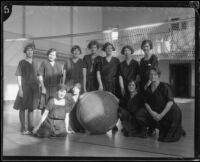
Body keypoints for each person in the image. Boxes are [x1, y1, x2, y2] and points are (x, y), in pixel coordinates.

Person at [140, 67, 186, 142]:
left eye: (155, 74)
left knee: (167, 138)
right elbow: (145, 102)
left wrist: (161, 115)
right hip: (160, 113)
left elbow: (170, 102)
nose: (153, 76)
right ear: (149, 76)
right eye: (151, 74)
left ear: (158, 75)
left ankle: (178, 129)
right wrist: (152, 113)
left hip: (172, 113)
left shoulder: (165, 86)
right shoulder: (147, 89)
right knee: (161, 137)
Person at [13, 43, 40, 134]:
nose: (30, 51)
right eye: (28, 50)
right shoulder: (22, 62)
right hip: (25, 87)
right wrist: (20, 89)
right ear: (25, 51)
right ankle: (23, 128)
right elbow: (19, 76)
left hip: (34, 88)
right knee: (22, 107)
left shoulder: (36, 62)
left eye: (31, 50)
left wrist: (41, 85)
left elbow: (38, 75)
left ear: (33, 51)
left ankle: (31, 127)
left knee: (31, 108)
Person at [97, 42, 120, 131]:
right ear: (104, 50)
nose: (109, 49)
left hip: (114, 84)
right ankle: (103, 122)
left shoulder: (116, 60)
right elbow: (98, 73)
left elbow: (119, 74)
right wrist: (100, 84)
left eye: (110, 48)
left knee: (114, 104)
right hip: (104, 84)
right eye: (107, 48)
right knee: (103, 104)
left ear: (113, 49)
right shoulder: (101, 60)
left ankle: (114, 124)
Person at [63, 45, 85, 133]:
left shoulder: (82, 62)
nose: (75, 52)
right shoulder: (67, 62)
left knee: (78, 107)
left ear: (80, 52)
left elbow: (84, 76)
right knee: (69, 107)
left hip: (78, 87)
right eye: (74, 50)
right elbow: (64, 75)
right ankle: (70, 126)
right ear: (72, 52)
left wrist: (84, 87)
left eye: (77, 51)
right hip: (68, 87)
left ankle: (80, 126)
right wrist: (63, 87)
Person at [38, 48, 63, 112]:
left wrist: (60, 90)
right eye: (50, 54)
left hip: (55, 90)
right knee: (44, 107)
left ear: (56, 56)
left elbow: (61, 78)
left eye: (53, 55)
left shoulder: (58, 65)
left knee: (53, 107)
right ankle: (44, 122)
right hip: (45, 88)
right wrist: (43, 87)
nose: (51, 56)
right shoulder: (44, 63)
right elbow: (39, 75)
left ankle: (51, 122)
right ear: (47, 55)